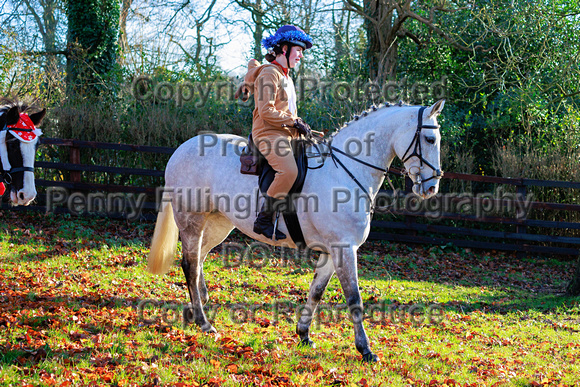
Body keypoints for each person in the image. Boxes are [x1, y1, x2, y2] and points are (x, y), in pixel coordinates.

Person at [237, 25, 313, 240]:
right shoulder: (270, 73)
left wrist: (302, 127)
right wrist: (294, 121)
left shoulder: (286, 76)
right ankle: (263, 220)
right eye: (298, 50)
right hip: (268, 133)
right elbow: (266, 110)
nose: (300, 55)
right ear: (285, 48)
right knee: (289, 172)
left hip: (285, 134)